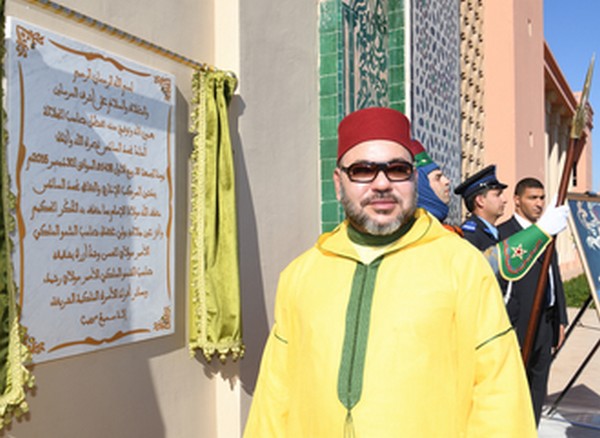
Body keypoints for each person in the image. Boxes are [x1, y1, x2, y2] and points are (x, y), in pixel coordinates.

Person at [244, 107, 536, 437]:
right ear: (339, 183)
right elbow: (275, 395)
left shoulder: (461, 266)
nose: (381, 184)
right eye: (362, 170)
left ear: (413, 179)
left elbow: (499, 394)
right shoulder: (301, 275)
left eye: (397, 169)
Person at [498, 177, 569, 425]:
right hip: (519, 324)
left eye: (541, 198)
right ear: (517, 200)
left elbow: (554, 275)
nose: (539, 203)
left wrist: (560, 317)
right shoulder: (505, 234)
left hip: (545, 323)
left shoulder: (546, 230)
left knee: (539, 386)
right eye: (532, 198)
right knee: (515, 386)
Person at [454, 165, 507, 250]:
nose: (504, 200)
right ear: (480, 201)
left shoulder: (496, 233)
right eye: (497, 195)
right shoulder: (470, 236)